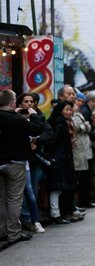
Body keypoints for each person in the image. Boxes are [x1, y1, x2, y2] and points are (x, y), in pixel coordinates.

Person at [0, 89, 43, 245]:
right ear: (13, 102)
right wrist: (32, 114)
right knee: (14, 199)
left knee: (1, 199)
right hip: (15, 163)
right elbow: (37, 129)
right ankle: (13, 233)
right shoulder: (17, 120)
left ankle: (2, 231)